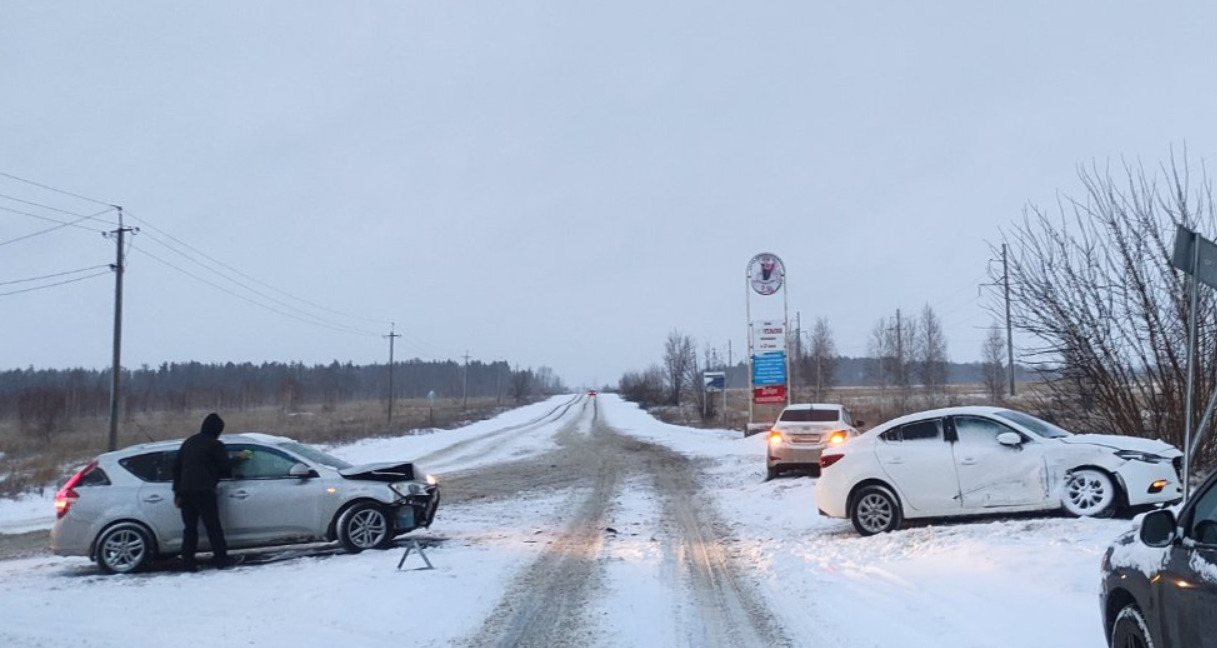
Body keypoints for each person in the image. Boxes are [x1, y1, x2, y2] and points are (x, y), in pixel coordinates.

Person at [172, 412, 238, 570]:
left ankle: (188, 561)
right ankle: (221, 559)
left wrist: (178, 491)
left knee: (190, 528)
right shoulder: (215, 445)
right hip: (204, 491)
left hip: (186, 491)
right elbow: (225, 469)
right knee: (213, 526)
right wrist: (238, 459)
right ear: (218, 430)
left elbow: (176, 467)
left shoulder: (189, 442)